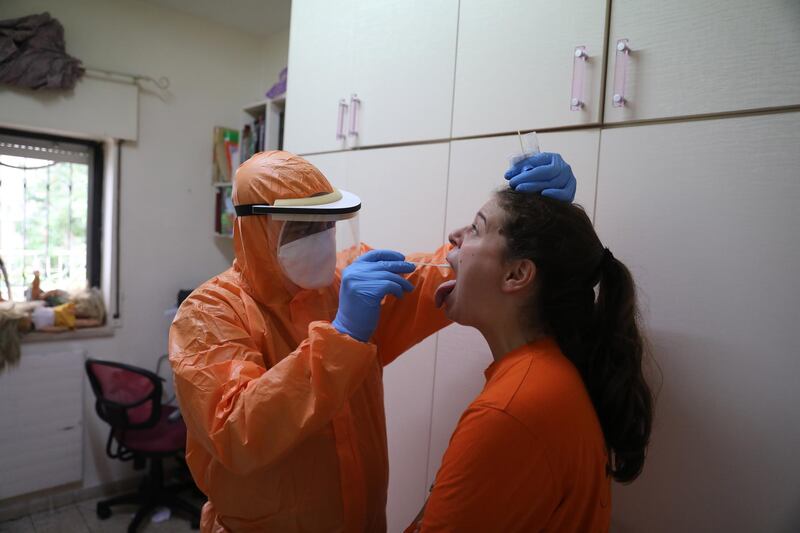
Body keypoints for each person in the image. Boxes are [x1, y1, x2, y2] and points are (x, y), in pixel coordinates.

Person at [169, 150, 577, 532]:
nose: (320, 238)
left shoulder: (350, 281)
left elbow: (449, 270)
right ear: (256, 230)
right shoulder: (210, 313)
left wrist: (536, 217)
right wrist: (343, 335)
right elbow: (237, 433)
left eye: (327, 222)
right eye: (299, 228)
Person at [406, 156, 654, 532]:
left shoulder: (509, 410)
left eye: (475, 228)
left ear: (518, 274)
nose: (454, 236)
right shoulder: (549, 376)